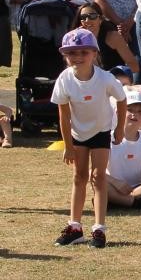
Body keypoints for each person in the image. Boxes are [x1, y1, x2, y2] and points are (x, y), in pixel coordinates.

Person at [51, 28, 127, 248]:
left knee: (98, 177)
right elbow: (64, 116)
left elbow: (122, 100)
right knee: (79, 176)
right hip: (78, 134)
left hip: (101, 131)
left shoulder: (104, 78)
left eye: (84, 52)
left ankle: (99, 228)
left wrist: (119, 129)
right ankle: (75, 227)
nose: (78, 57)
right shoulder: (65, 79)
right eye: (72, 53)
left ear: (94, 54)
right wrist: (68, 145)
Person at [73, 1, 138, 72]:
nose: (87, 20)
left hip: (114, 79)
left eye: (92, 16)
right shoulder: (77, 40)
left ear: (100, 19)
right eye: (83, 17)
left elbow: (133, 65)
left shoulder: (113, 37)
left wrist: (121, 78)